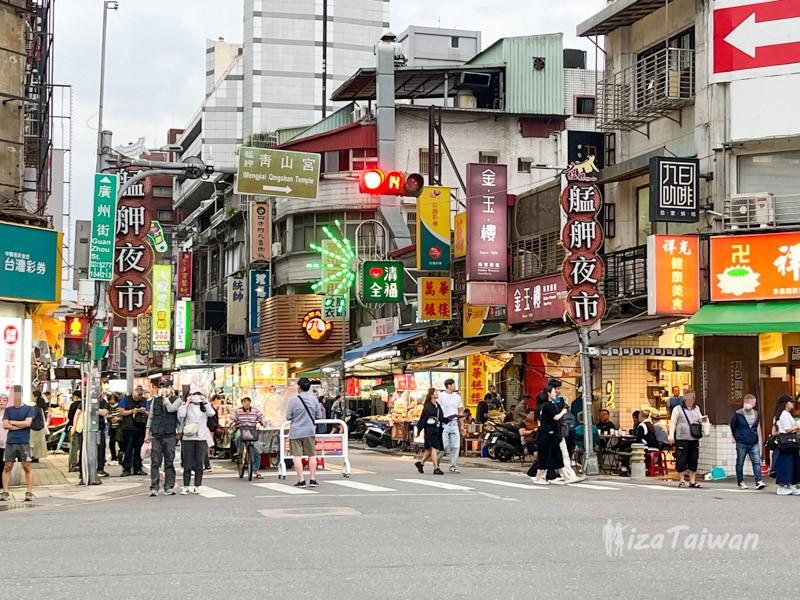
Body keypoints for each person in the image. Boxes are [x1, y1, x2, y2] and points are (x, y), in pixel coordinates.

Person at [530, 385, 577, 485]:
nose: (556, 393)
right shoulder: (547, 406)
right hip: (546, 434)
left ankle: (566, 476)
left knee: (558, 455)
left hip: (553, 434)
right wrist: (564, 411)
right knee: (545, 456)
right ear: (548, 394)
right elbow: (556, 417)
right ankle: (539, 477)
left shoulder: (551, 405)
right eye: (554, 392)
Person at [145, 378, 181, 496]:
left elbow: (171, 409)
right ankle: (154, 487)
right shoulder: (155, 400)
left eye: (166, 387)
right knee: (155, 461)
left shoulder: (177, 400)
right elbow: (150, 417)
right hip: (156, 434)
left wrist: (165, 399)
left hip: (170, 434)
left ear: (171, 388)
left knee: (169, 461)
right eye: (162, 387)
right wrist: (147, 434)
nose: (164, 389)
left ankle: (169, 486)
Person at [286, 377, 324, 488]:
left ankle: (301, 480)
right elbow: (319, 415)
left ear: (299, 387)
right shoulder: (314, 399)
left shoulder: (293, 400)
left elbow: (288, 417)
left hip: (296, 431)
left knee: (297, 456)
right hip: (309, 431)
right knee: (312, 455)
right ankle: (312, 479)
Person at [177, 386, 215, 495]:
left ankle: (197, 485)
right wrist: (187, 402)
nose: (196, 397)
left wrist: (205, 401)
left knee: (199, 463)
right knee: (187, 463)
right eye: (194, 394)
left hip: (201, 437)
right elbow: (181, 415)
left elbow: (212, 413)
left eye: (198, 395)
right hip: (188, 438)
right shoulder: (185, 406)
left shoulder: (204, 407)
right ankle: (186, 486)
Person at [1, 386, 35, 501]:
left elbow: (28, 423)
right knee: (7, 466)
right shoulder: (8, 410)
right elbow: (5, 425)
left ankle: (29, 492)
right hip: (10, 442)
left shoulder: (29, 409)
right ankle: (5, 492)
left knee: (26, 466)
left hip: (24, 441)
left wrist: (12, 423)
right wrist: (19, 425)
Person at [668, 390, 707, 488]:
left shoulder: (697, 408)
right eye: (689, 398)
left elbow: (698, 420)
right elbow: (673, 422)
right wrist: (671, 435)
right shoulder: (677, 409)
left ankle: (692, 481)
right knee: (681, 459)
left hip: (694, 438)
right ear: (684, 398)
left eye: (693, 398)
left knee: (693, 459)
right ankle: (681, 480)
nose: (691, 400)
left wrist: (703, 419)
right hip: (682, 438)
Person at [730, 393, 765, 490]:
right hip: (741, 441)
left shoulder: (757, 413)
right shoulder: (738, 414)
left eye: (753, 403)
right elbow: (733, 426)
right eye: (749, 402)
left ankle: (758, 481)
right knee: (740, 462)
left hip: (753, 441)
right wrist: (735, 436)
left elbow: (756, 426)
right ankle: (740, 481)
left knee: (756, 462)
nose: (751, 404)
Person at [230, 396, 269, 479]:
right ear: (242, 403)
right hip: (241, 429)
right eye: (244, 401)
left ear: (250, 402)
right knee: (237, 437)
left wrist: (264, 422)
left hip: (252, 430)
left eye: (248, 401)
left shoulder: (255, 410)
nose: (246, 403)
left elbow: (261, 418)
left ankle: (256, 470)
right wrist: (231, 423)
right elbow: (232, 419)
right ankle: (239, 452)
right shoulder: (237, 411)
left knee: (257, 450)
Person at [119, 386, 150, 477]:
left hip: (140, 427)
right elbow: (121, 412)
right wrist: (133, 411)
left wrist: (143, 412)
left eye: (140, 396)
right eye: (137, 396)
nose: (138, 398)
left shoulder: (144, 400)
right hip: (128, 427)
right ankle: (126, 468)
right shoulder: (125, 399)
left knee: (139, 449)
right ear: (133, 392)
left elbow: (149, 413)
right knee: (128, 449)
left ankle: (138, 467)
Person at [772, 394, 800, 496]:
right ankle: (784, 485)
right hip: (788, 442)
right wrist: (797, 426)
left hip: (784, 443)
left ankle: (789, 485)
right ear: (786, 403)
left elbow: (774, 431)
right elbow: (788, 429)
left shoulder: (779, 414)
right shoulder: (784, 414)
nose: (792, 404)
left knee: (788, 463)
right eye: (791, 402)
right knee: (788, 463)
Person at [414, 388, 444, 475]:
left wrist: (449, 419)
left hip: (437, 429)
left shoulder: (437, 405)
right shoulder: (427, 406)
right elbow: (423, 419)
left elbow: (440, 417)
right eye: (435, 392)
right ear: (431, 395)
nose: (437, 393)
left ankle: (420, 463)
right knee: (434, 448)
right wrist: (419, 430)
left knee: (429, 450)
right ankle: (436, 468)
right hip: (430, 430)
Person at [437, 378, 463, 474]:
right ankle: (436, 462)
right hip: (444, 423)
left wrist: (462, 425)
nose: (455, 386)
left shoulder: (457, 397)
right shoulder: (440, 396)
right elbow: (437, 409)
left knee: (456, 446)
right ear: (448, 385)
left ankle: (453, 466)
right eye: (453, 384)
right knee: (444, 446)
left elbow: (460, 410)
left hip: (454, 423)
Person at [29, 390, 48, 463]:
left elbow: (32, 417)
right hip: (40, 428)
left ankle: (34, 457)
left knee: (34, 443)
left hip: (34, 428)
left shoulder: (35, 407)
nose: (31, 397)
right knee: (38, 443)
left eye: (32, 396)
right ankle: (36, 457)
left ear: (35, 397)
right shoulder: (40, 406)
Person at [66, 390, 82, 472]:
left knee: (73, 448)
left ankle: (72, 465)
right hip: (82, 428)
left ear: (75, 396)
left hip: (73, 427)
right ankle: (80, 464)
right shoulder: (84, 404)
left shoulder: (73, 405)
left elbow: (69, 417)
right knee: (82, 448)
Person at [96, 394, 109, 477]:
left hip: (100, 428)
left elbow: (104, 412)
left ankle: (100, 469)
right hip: (87, 430)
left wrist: (93, 409)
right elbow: (80, 411)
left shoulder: (103, 401)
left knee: (101, 448)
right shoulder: (86, 401)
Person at [107, 393, 121, 464]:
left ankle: (120, 457)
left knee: (120, 443)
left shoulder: (120, 406)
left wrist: (118, 419)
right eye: (110, 400)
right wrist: (109, 418)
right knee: (111, 443)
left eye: (112, 400)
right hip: (112, 427)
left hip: (119, 428)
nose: (111, 402)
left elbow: (122, 416)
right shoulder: (109, 407)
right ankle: (114, 458)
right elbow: (107, 416)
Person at [0, 393, 7, 464]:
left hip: (6, 441)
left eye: (4, 400)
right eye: (0, 400)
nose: (1, 402)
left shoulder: (9, 413)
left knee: (5, 463)